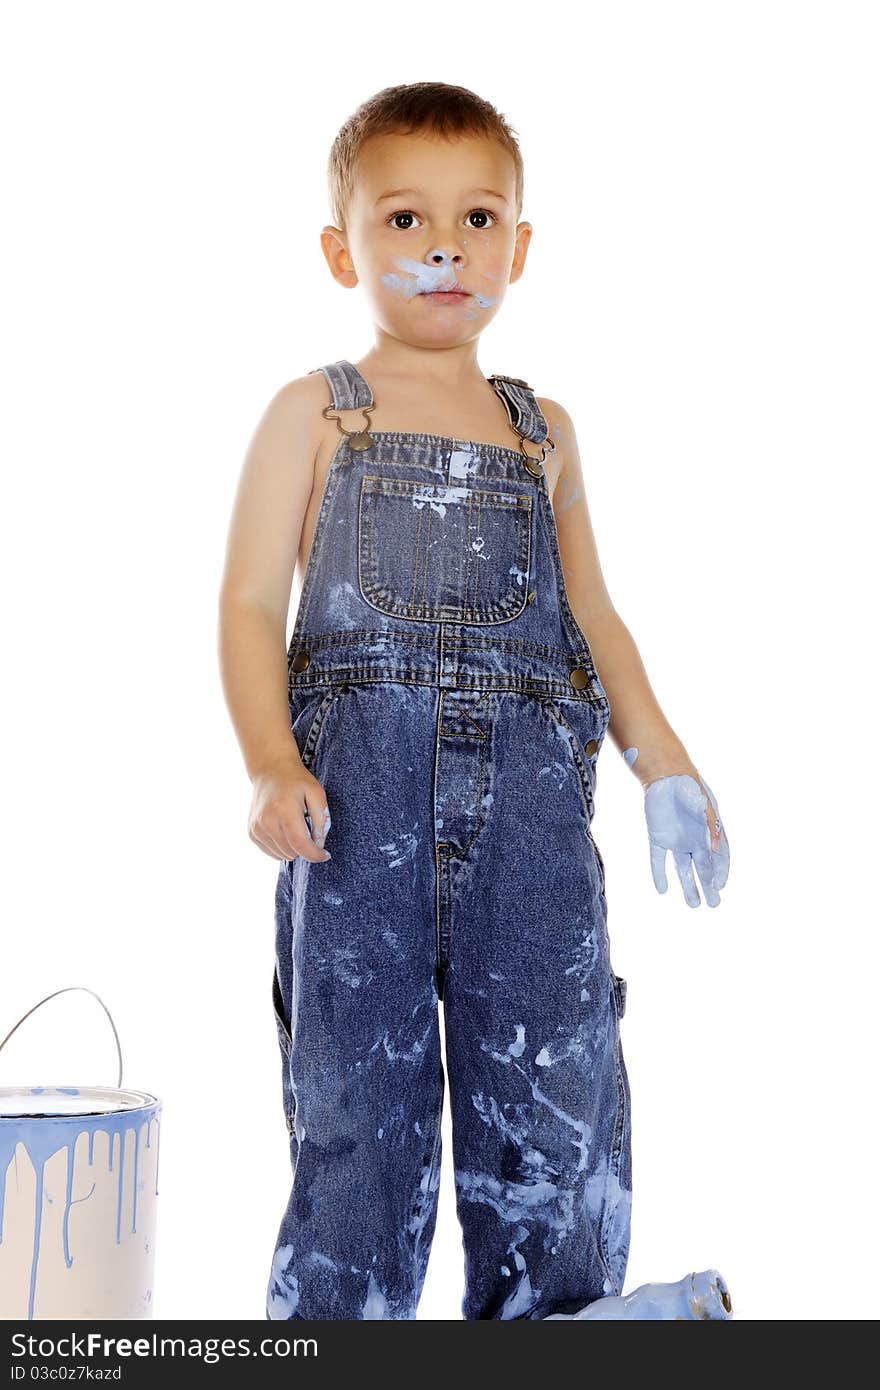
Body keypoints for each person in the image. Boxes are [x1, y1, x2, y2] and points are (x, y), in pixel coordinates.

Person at [218, 81, 732, 1321]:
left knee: (551, 1095)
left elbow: (593, 618)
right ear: (344, 249)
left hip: (531, 834)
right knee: (357, 1111)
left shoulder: (541, 432)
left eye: (478, 216)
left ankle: (554, 1324)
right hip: (357, 824)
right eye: (403, 219)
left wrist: (663, 761)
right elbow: (246, 606)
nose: (444, 245)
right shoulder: (317, 411)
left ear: (520, 246)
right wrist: (269, 759)